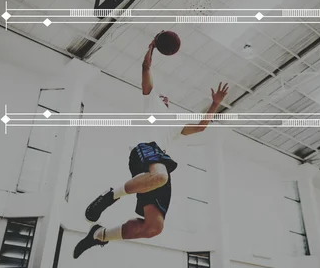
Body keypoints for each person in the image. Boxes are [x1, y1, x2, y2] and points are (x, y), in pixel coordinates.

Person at [74, 39, 229, 259]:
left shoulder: (176, 123)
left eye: (166, 98)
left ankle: (99, 235)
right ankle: (110, 196)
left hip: (160, 161)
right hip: (144, 150)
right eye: (161, 96)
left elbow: (201, 127)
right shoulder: (151, 103)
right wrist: (152, 47)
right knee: (161, 176)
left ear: (170, 103)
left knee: (153, 228)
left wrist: (215, 104)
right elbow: (146, 68)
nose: (164, 98)